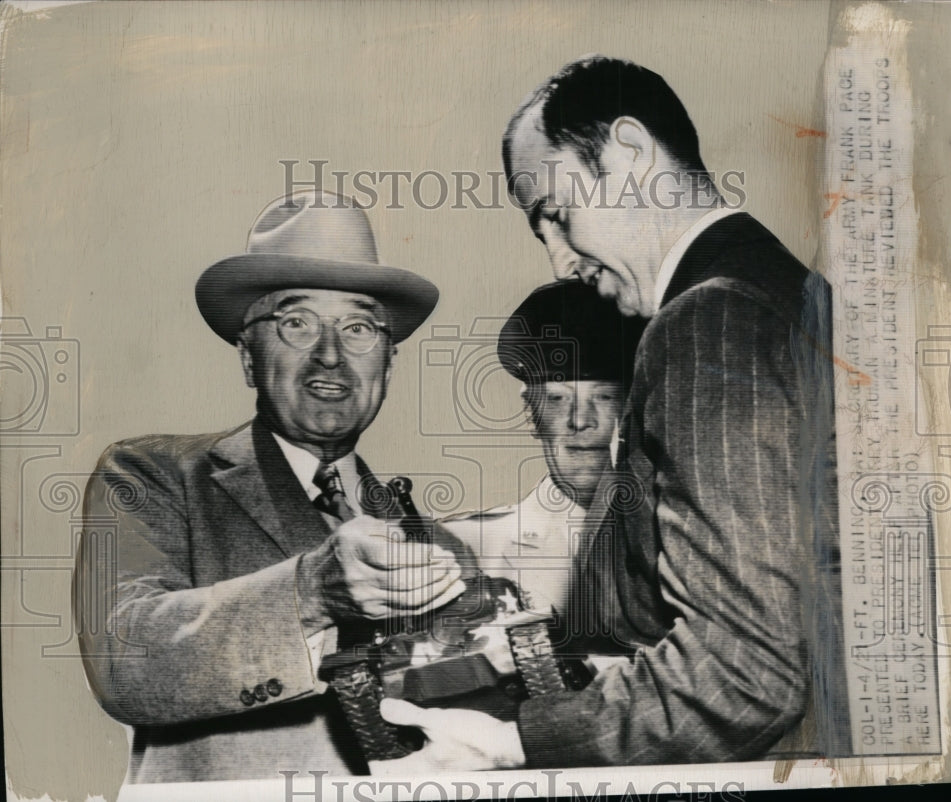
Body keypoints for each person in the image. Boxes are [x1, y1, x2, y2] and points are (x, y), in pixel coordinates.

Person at [372, 55, 847, 771]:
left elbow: (748, 668)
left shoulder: (709, 321)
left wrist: (513, 743)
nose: (561, 261)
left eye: (557, 216)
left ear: (630, 151)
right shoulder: (787, 292)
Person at [73, 190, 471, 782]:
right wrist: (310, 591)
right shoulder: (148, 475)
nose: (331, 356)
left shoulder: (436, 545)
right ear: (248, 357)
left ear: (387, 365)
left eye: (359, 327)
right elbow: (123, 663)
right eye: (296, 323)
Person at [442, 279, 646, 621]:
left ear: (634, 409)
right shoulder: (466, 549)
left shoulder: (688, 539)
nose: (581, 420)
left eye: (604, 396)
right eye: (557, 398)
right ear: (530, 415)